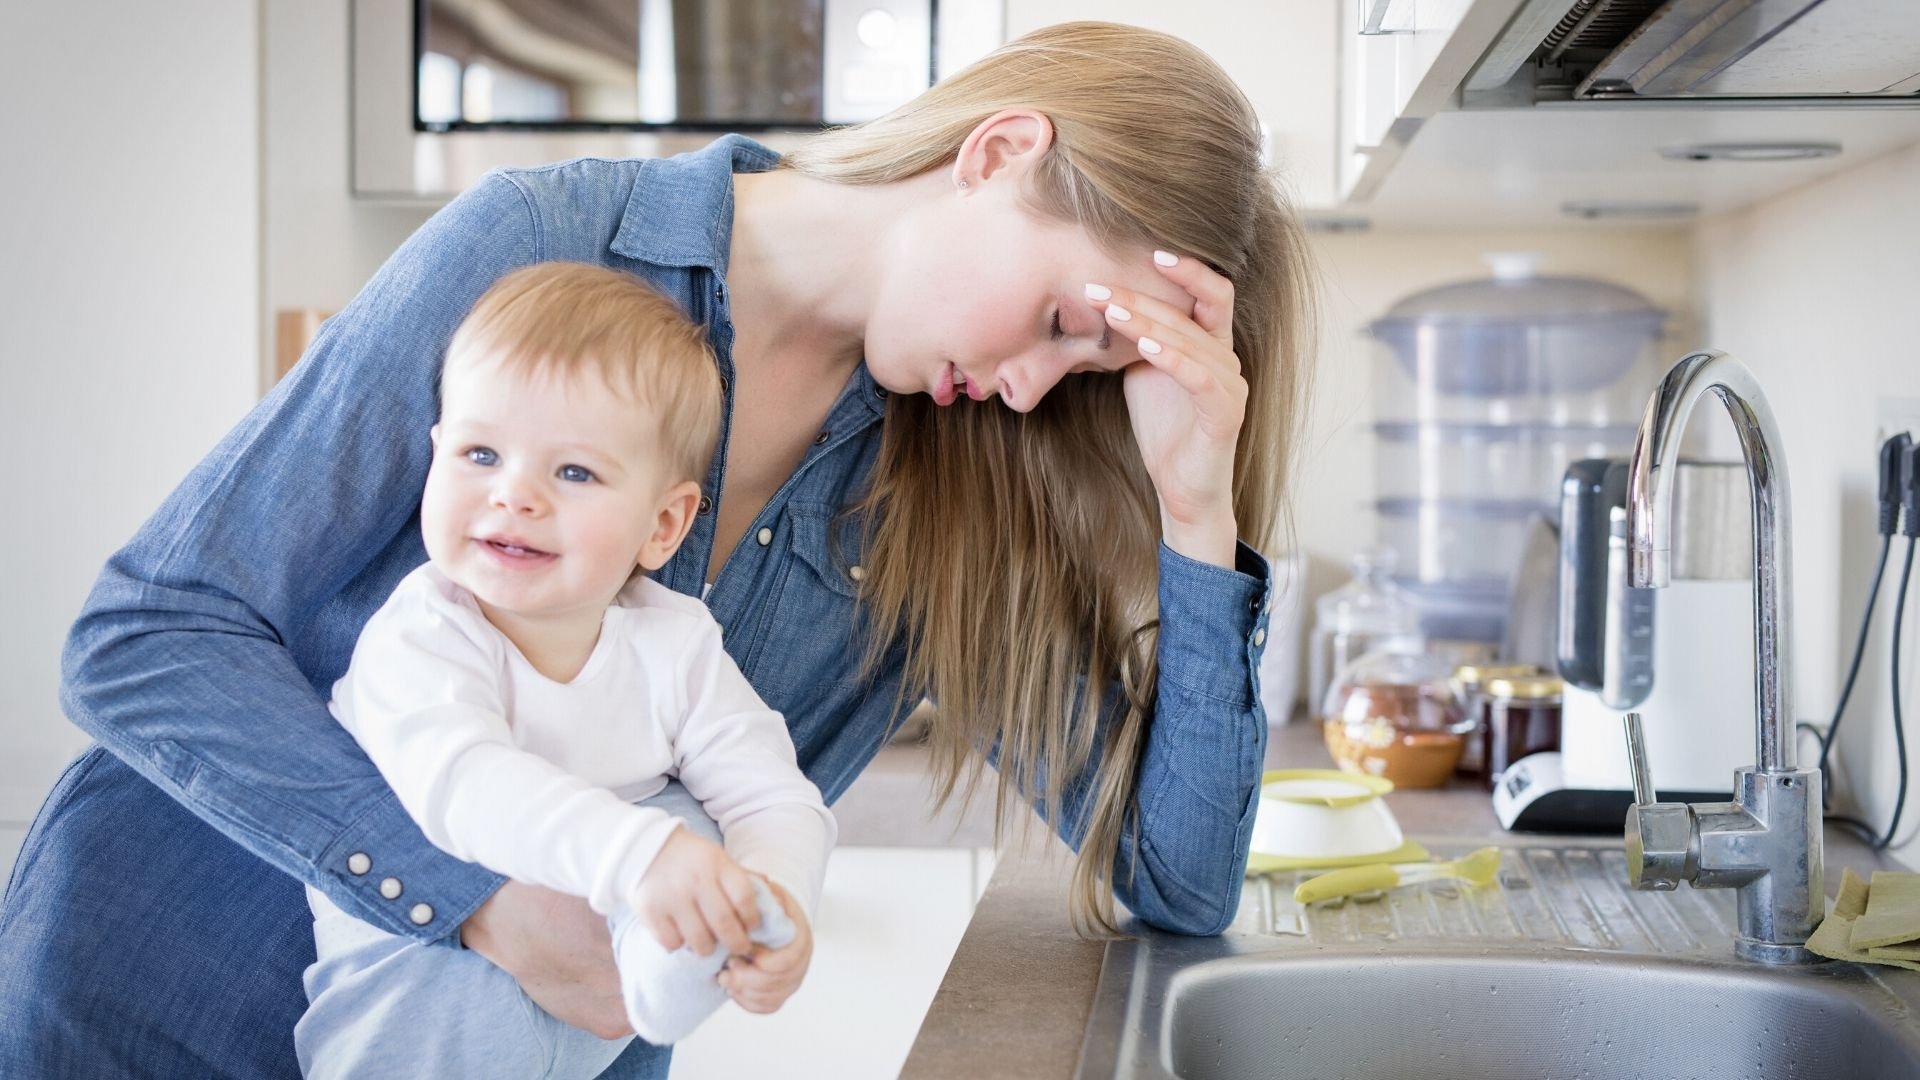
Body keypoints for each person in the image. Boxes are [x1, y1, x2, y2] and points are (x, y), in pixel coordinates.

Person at [0, 20, 1316, 1080]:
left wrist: (1196, 514)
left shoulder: (957, 489)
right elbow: (146, 636)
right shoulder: (541, 244)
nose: (1034, 390)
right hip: (156, 998)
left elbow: (1175, 886)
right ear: (998, 153)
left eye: (1080, 370)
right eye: (1052, 322)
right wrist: (484, 904)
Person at [294, 262, 835, 1078]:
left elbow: (773, 792)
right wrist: (643, 858)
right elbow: (464, 786)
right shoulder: (422, 634)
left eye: (573, 472)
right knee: (664, 836)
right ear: (436, 456)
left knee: (700, 822)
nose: (514, 495)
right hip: (426, 986)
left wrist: (772, 900)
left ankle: (676, 959)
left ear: (663, 525)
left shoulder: (674, 644)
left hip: (595, 996)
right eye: (480, 453)